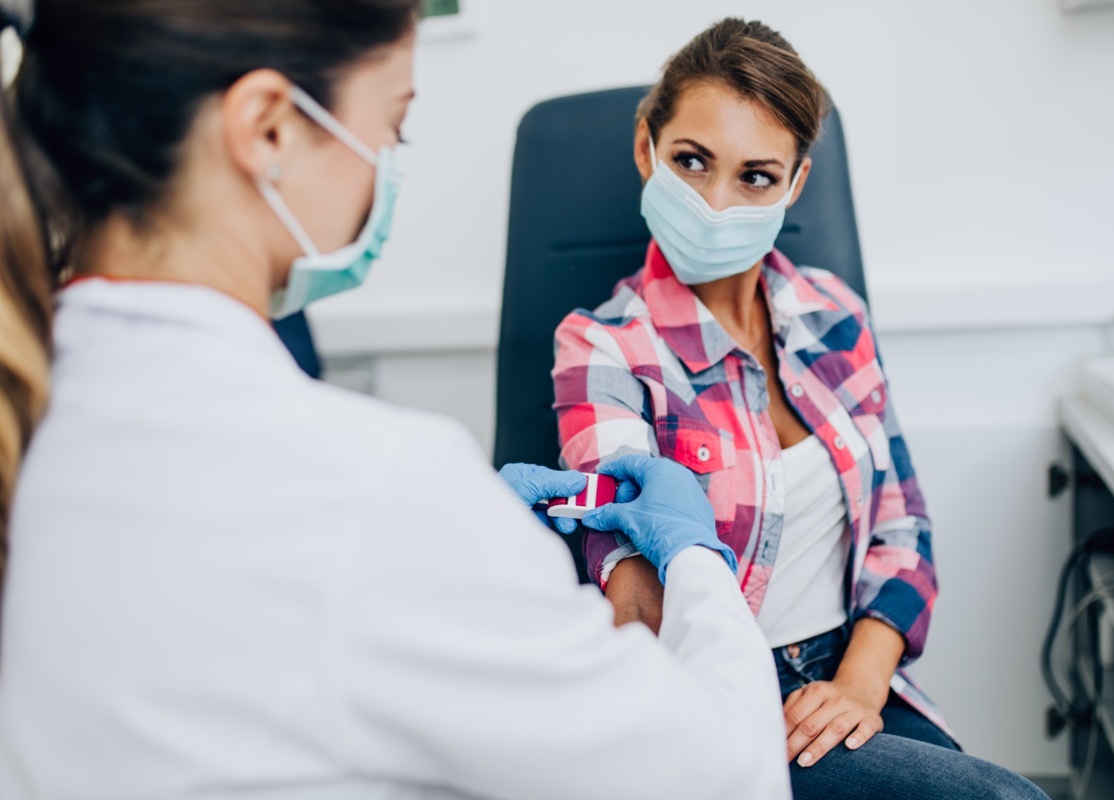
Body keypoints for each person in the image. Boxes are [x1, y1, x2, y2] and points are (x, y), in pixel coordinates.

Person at [0, 2, 791, 797]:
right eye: (394, 126)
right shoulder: (373, 487)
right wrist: (694, 557)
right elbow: (731, 777)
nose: (387, 163)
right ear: (270, 128)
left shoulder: (35, 409)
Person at [553, 17, 1050, 800]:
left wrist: (857, 684)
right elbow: (632, 570)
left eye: (755, 176)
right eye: (691, 162)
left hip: (854, 675)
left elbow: (903, 526)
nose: (716, 204)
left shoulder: (833, 313)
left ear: (795, 185)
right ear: (646, 148)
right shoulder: (602, 347)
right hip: (719, 695)